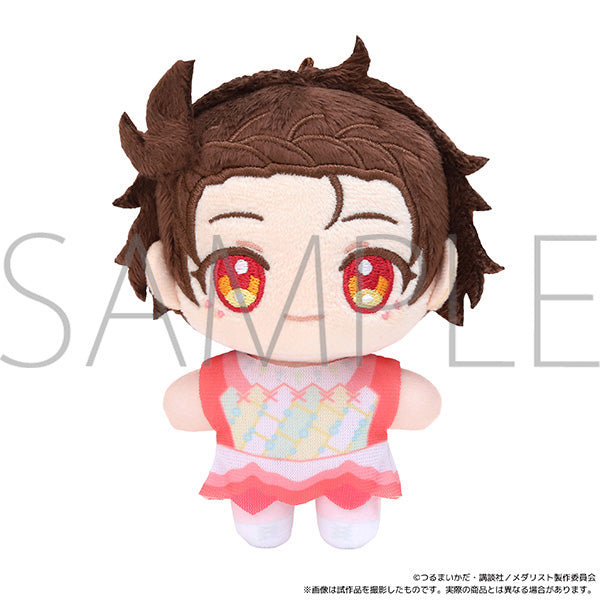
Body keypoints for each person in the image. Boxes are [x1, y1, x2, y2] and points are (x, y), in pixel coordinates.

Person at [114, 38, 502, 548]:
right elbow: (420, 407)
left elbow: (183, 409)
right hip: (255, 482)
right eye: (238, 274)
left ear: (438, 276)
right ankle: (274, 513)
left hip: (349, 478)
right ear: (168, 274)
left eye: (369, 275)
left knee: (342, 519)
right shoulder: (247, 379)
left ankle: (335, 511)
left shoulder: (341, 380)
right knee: (266, 520)